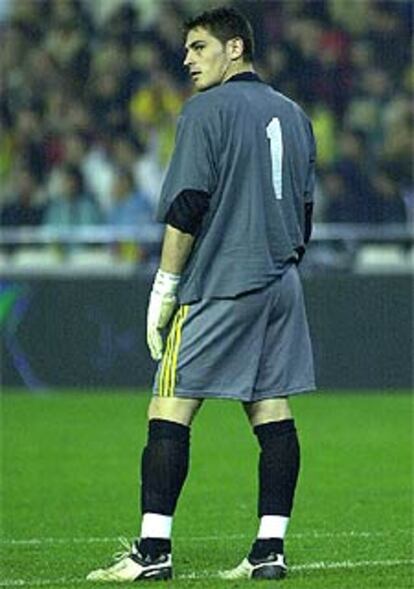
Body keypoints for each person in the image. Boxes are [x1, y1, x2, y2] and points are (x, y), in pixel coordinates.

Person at [87, 6, 316, 583]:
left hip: (220, 281)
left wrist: (165, 287)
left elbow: (187, 204)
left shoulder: (205, 111)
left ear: (234, 48)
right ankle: (269, 550)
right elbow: (307, 212)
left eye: (198, 48)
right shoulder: (295, 115)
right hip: (282, 281)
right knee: (271, 409)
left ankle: (152, 551)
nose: (187, 60)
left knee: (169, 407)